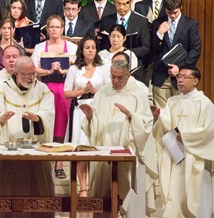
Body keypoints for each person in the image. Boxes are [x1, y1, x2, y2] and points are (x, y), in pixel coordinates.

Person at [79, 59, 157, 217]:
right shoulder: (103, 92)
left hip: (127, 152)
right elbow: (94, 122)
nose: (115, 81)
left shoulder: (137, 94)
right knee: (104, 199)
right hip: (104, 151)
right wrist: (90, 117)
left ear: (128, 76)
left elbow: (146, 124)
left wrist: (131, 116)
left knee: (125, 195)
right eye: (112, 77)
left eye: (119, 78)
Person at [0, 56, 55, 218]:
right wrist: (0, 119)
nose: (30, 78)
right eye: (26, 74)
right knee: (5, 196)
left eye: (33, 74)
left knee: (38, 193)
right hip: (7, 154)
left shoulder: (42, 89)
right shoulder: (1, 90)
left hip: (36, 154)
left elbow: (49, 113)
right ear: (15, 73)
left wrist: (39, 118)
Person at [152, 67, 214, 217]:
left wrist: (187, 136)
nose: (180, 80)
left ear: (195, 81)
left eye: (185, 77)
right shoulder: (173, 101)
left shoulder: (204, 104)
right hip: (176, 158)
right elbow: (164, 126)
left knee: (198, 200)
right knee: (176, 198)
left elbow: (210, 132)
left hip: (197, 160)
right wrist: (156, 118)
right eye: (179, 77)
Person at [31, 15, 78, 179]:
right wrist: (49, 71)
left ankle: (59, 163)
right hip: (46, 89)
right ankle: (44, 162)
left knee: (61, 125)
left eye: (57, 27)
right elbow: (34, 68)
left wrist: (64, 71)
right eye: (51, 27)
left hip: (64, 90)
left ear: (62, 29)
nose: (54, 30)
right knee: (46, 123)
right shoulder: (40, 47)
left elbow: (77, 67)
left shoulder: (71, 47)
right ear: (47, 28)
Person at [64, 35, 109, 197]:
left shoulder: (103, 68)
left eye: (93, 47)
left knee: (94, 147)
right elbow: (66, 93)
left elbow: (109, 92)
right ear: (81, 50)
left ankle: (95, 185)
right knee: (81, 149)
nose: (90, 50)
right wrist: (83, 91)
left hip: (97, 109)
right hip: (79, 111)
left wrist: (94, 91)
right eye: (87, 47)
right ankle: (83, 188)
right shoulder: (74, 69)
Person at [151, 0, 201, 108]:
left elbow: (195, 50)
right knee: (161, 115)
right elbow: (153, 50)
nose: (173, 16)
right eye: (169, 13)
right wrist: (159, 34)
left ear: (181, 7)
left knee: (182, 112)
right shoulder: (157, 23)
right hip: (161, 76)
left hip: (181, 77)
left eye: (176, 12)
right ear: (165, 10)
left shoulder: (191, 24)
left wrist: (180, 67)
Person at [100, 0, 150, 84]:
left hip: (134, 67)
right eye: (118, 4)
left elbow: (146, 47)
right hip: (110, 67)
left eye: (125, 3)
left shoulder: (141, 21)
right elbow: (103, 44)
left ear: (130, 2)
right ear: (114, 3)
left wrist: (125, 53)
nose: (121, 7)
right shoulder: (106, 20)